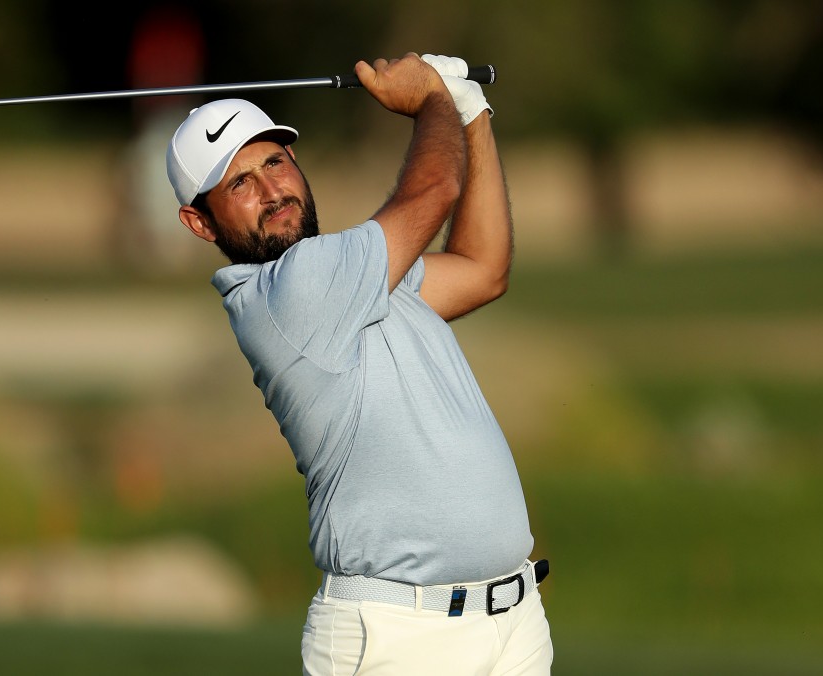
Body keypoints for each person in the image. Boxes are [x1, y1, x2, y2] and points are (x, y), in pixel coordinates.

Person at [166, 53, 552, 675]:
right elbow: (435, 191)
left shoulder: (358, 276)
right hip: (400, 638)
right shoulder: (288, 295)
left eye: (275, 162)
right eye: (238, 184)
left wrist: (471, 112)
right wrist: (431, 101)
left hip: (511, 625)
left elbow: (483, 268)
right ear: (198, 222)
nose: (271, 191)